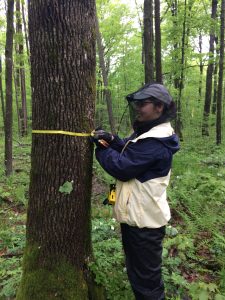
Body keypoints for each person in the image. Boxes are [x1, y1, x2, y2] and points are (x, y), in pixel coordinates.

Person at [92, 83, 180, 300]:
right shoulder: (150, 134)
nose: (138, 108)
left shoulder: (156, 142)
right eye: (137, 103)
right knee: (139, 276)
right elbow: (130, 152)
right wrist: (113, 140)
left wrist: (102, 149)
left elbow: (122, 167)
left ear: (159, 107)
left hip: (145, 225)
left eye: (143, 104)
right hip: (138, 220)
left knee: (147, 284)